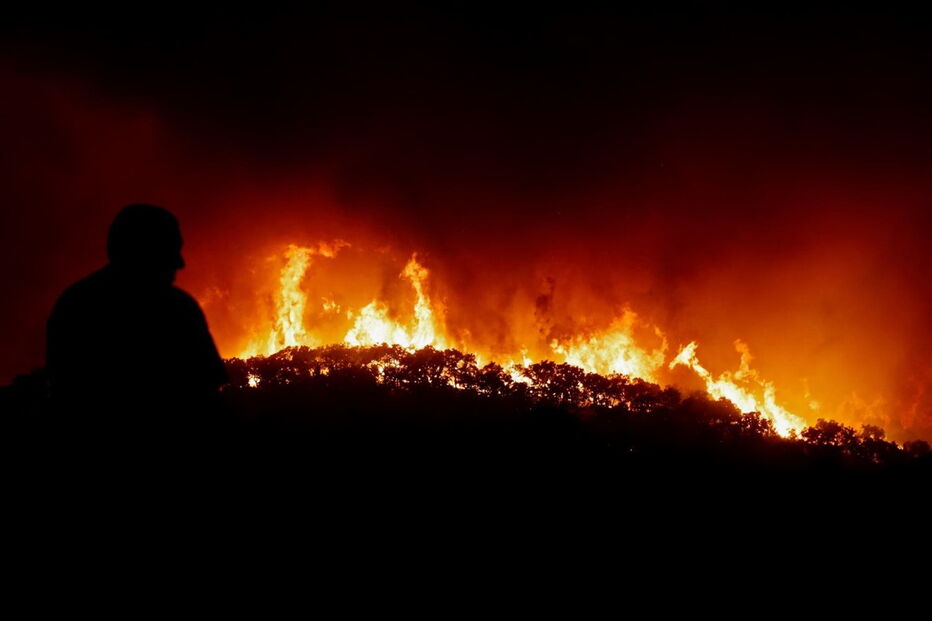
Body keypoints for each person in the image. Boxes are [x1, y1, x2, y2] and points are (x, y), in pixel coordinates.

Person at [46, 204, 228, 438]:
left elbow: (63, 393)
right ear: (145, 250)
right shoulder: (177, 308)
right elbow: (208, 396)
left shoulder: (74, 303)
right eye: (172, 249)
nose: (180, 262)